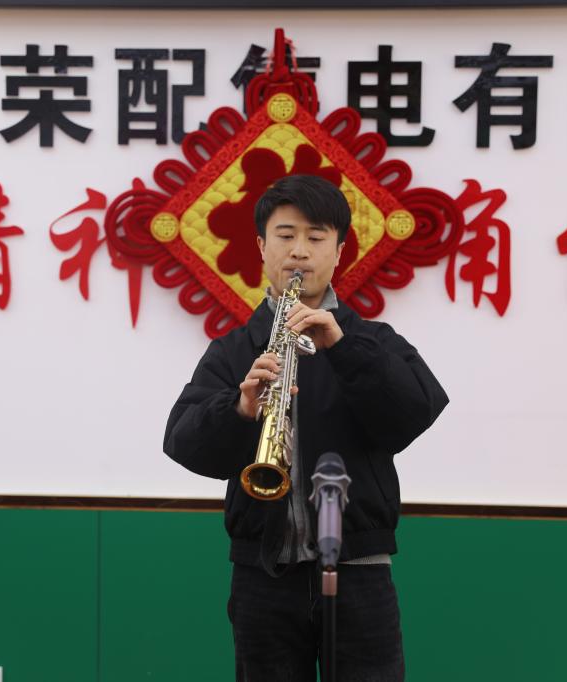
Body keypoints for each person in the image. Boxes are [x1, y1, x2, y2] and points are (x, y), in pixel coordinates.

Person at [163, 174, 449, 681]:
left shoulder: (373, 340)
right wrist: (240, 409)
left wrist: (344, 347)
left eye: (316, 237)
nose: (299, 251)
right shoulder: (233, 351)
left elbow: (414, 413)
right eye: (285, 235)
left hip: (359, 573)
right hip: (263, 577)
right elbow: (181, 441)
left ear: (339, 252)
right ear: (261, 247)